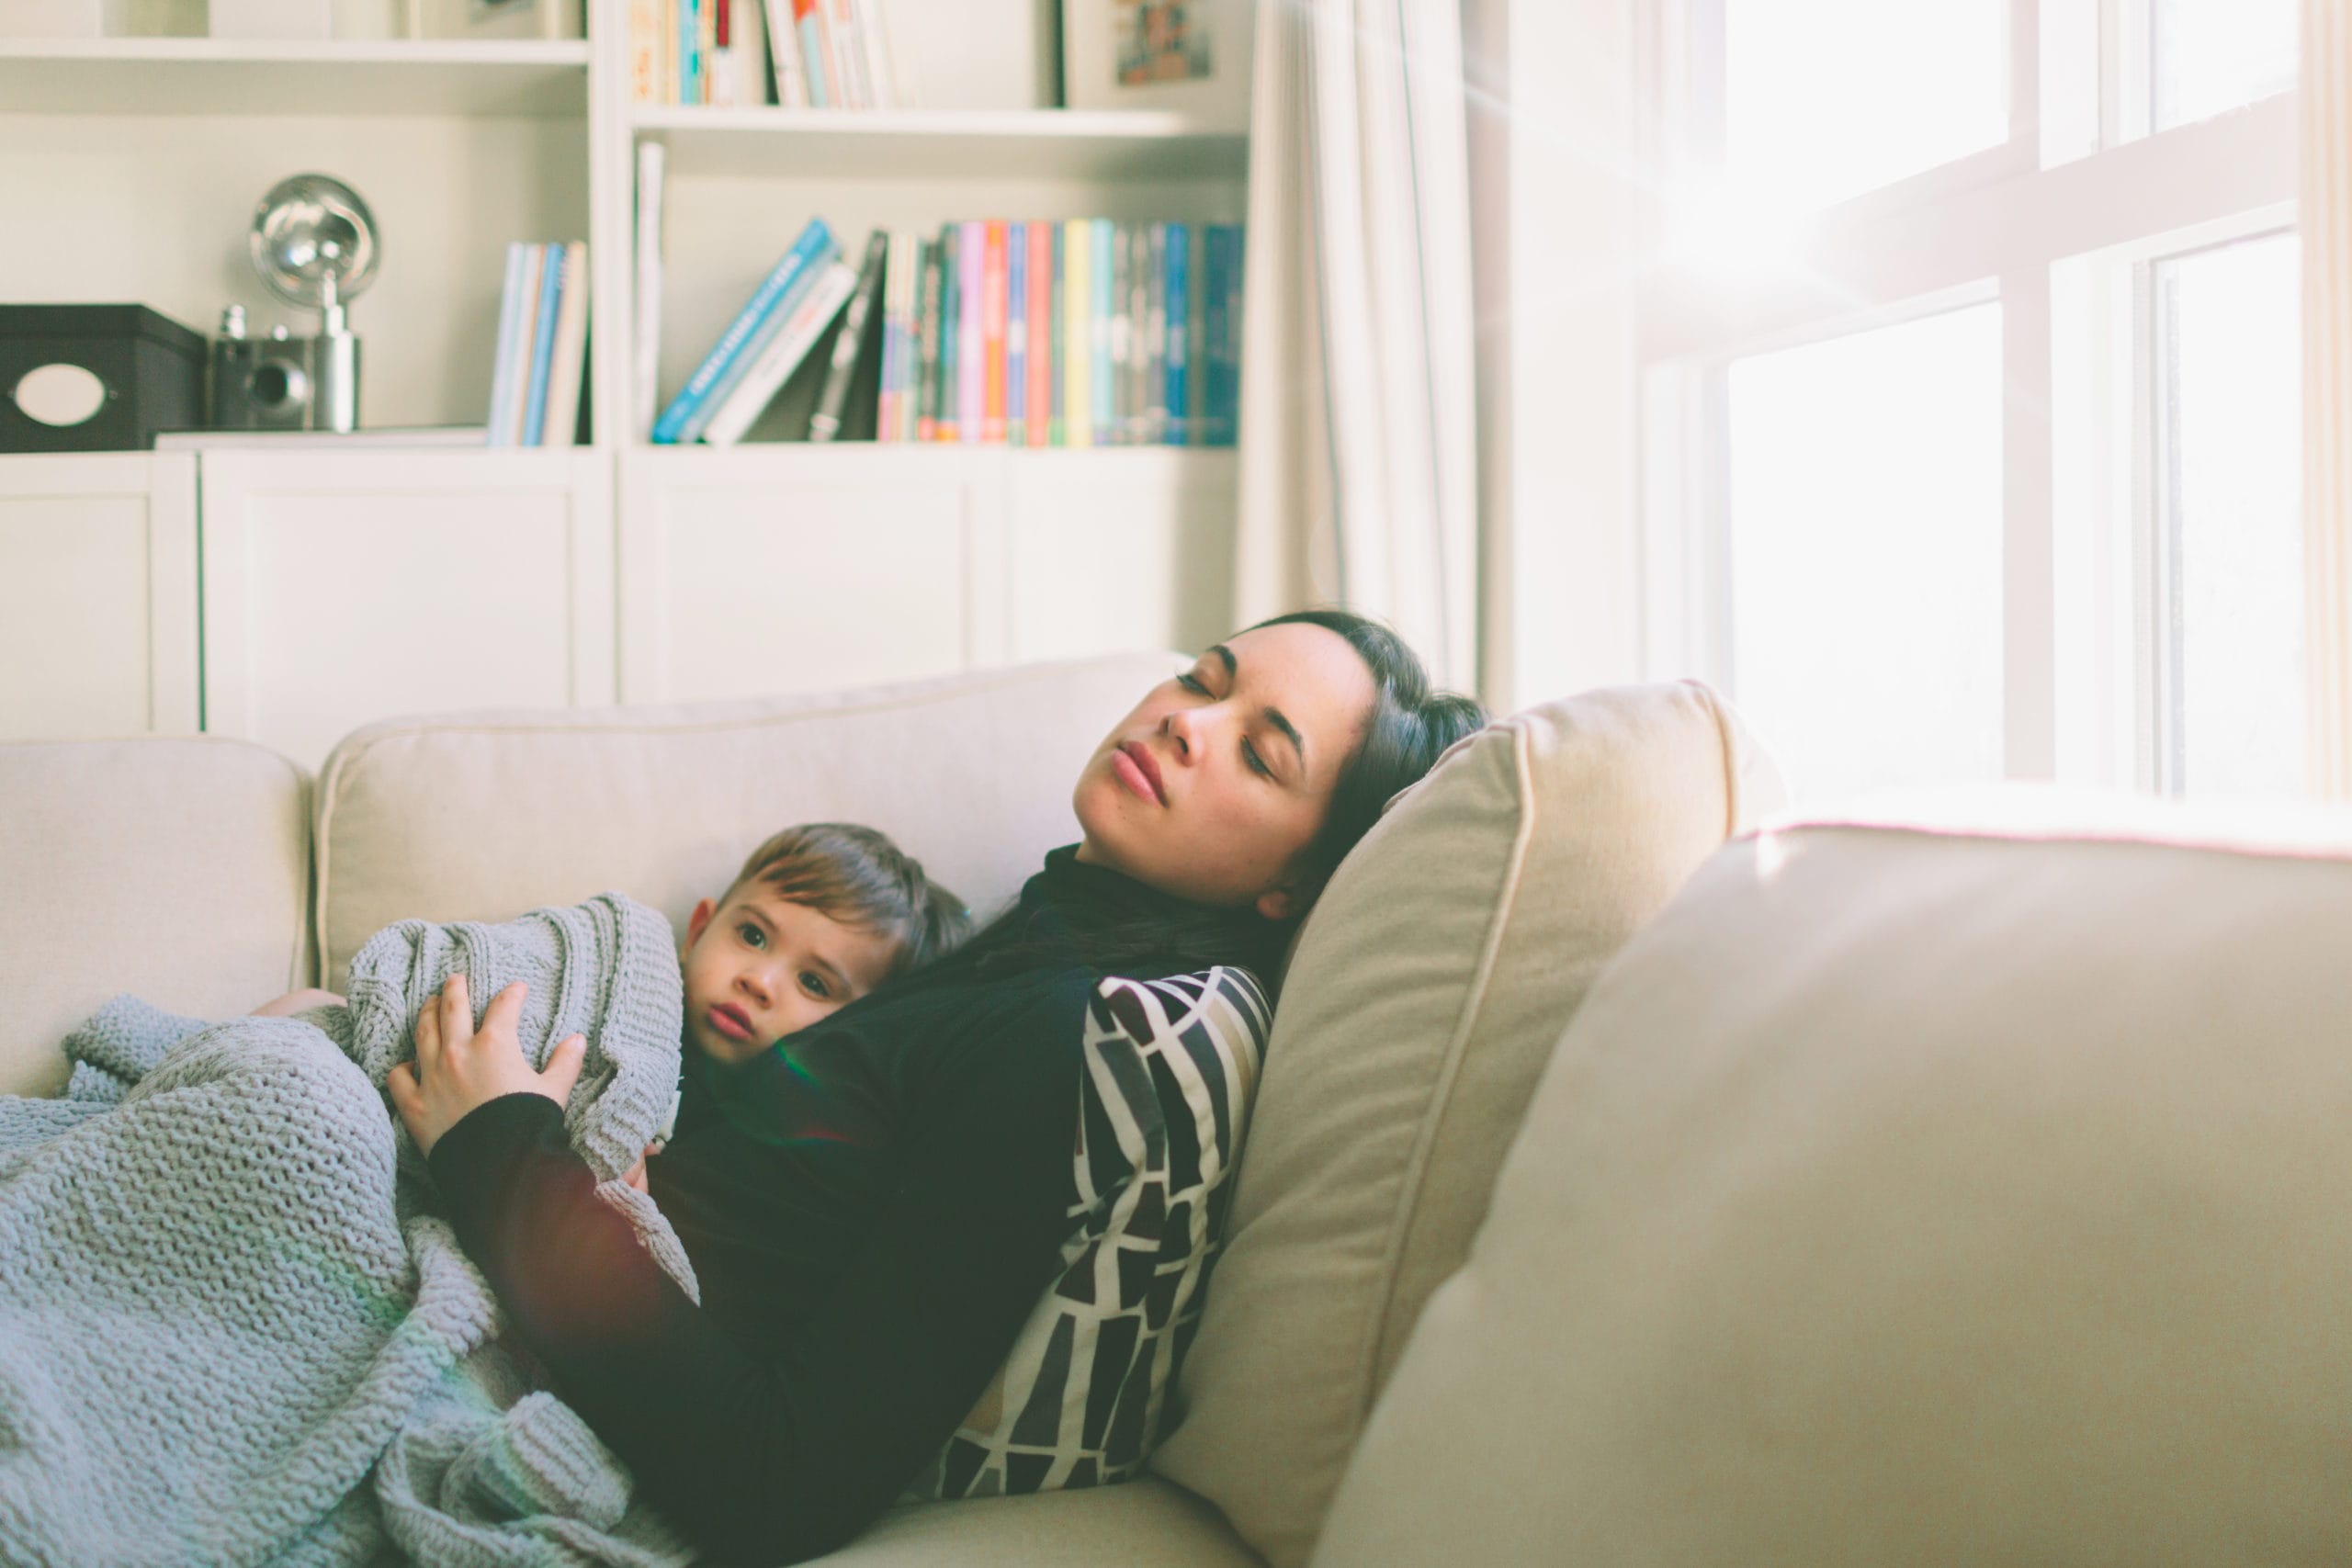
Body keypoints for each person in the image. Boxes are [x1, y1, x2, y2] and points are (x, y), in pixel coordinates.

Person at [389, 609, 1487, 1566]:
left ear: (1293, 883)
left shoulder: (1058, 1036)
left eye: (1261, 754)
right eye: (1204, 678)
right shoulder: (1019, 952)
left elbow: (780, 1480)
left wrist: (501, 1147)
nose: (1184, 722)